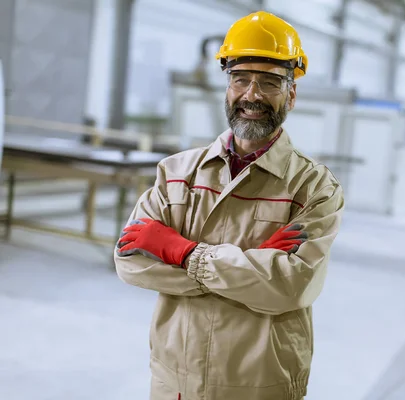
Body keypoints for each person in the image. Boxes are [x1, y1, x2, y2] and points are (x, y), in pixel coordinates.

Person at [114, 10, 345, 400]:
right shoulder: (175, 173)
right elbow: (130, 263)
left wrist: (182, 252)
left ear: (291, 93)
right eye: (241, 79)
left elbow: (292, 286)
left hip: (260, 384)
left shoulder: (314, 188)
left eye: (269, 82)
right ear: (228, 86)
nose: (252, 95)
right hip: (175, 381)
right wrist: (252, 267)